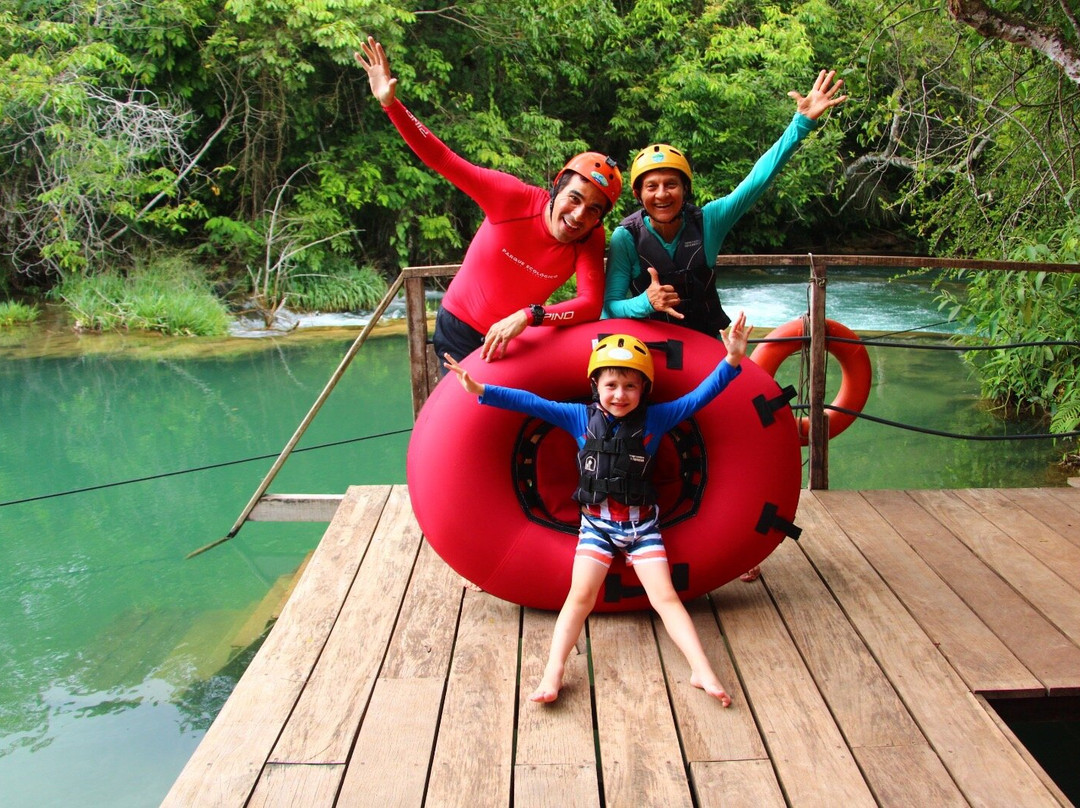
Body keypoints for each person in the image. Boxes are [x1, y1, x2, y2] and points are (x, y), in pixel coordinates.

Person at [604, 70, 847, 580]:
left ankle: (736, 540)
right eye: (651, 186)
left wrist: (799, 125)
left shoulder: (709, 220)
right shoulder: (625, 240)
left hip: (706, 338)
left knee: (733, 428)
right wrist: (645, 303)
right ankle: (627, 534)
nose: (662, 193)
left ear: (684, 188)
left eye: (671, 184)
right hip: (650, 347)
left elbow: (757, 180)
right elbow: (608, 309)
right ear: (639, 194)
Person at [444, 312, 752, 705]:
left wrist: (732, 360)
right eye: (611, 385)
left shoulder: (658, 418)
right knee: (579, 597)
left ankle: (701, 669)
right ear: (595, 386)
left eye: (629, 386)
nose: (619, 394)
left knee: (666, 598)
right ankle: (552, 673)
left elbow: (700, 397)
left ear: (644, 390)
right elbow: (532, 402)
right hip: (597, 528)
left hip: (642, 530)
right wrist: (481, 388)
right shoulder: (579, 418)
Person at [356, 37, 623, 370]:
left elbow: (588, 304)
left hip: (514, 336)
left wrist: (530, 315)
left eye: (594, 210)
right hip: (459, 327)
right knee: (464, 411)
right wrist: (391, 105)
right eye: (575, 199)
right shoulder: (511, 198)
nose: (579, 215)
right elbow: (442, 158)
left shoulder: (589, 237)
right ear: (557, 187)